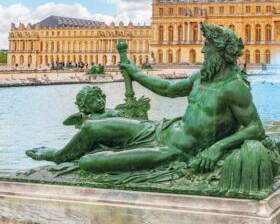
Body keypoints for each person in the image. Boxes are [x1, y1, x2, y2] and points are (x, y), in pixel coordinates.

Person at [26, 23, 267, 174]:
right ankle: (57, 156)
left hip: (172, 150)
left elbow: (256, 128)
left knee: (89, 162)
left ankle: (80, 158)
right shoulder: (202, 76)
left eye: (208, 48)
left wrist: (216, 148)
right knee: (89, 128)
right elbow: (168, 89)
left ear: (221, 52)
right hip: (159, 129)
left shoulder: (234, 87)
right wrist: (136, 73)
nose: (203, 51)